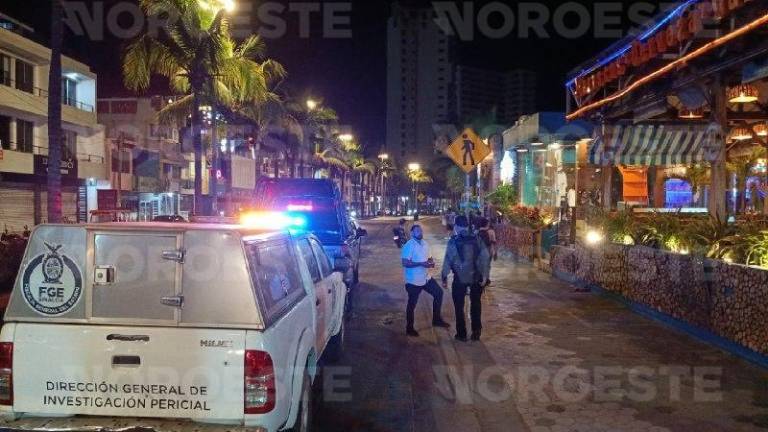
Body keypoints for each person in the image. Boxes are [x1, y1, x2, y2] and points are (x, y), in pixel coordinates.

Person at [441, 216, 490, 342]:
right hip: (476, 277)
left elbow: (448, 260)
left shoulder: (453, 241)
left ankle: (461, 334)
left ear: (456, 226)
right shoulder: (477, 238)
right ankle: (476, 332)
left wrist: (444, 277)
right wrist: (485, 276)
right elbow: (485, 257)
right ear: (467, 226)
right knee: (476, 304)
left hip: (459, 278)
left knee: (459, 306)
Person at [401, 224, 451, 337]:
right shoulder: (409, 245)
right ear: (412, 233)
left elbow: (429, 257)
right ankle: (409, 328)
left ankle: (436, 320)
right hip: (413, 281)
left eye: (421, 230)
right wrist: (421, 264)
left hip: (426, 278)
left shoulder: (425, 244)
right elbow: (405, 263)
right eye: (417, 231)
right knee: (412, 304)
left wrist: (431, 262)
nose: (420, 232)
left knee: (439, 293)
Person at [477, 217, 498, 285]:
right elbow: (494, 242)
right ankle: (486, 279)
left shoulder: (476, 231)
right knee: (487, 265)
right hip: (489, 251)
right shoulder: (491, 231)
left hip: (479, 251)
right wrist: (495, 252)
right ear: (487, 224)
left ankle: (480, 278)